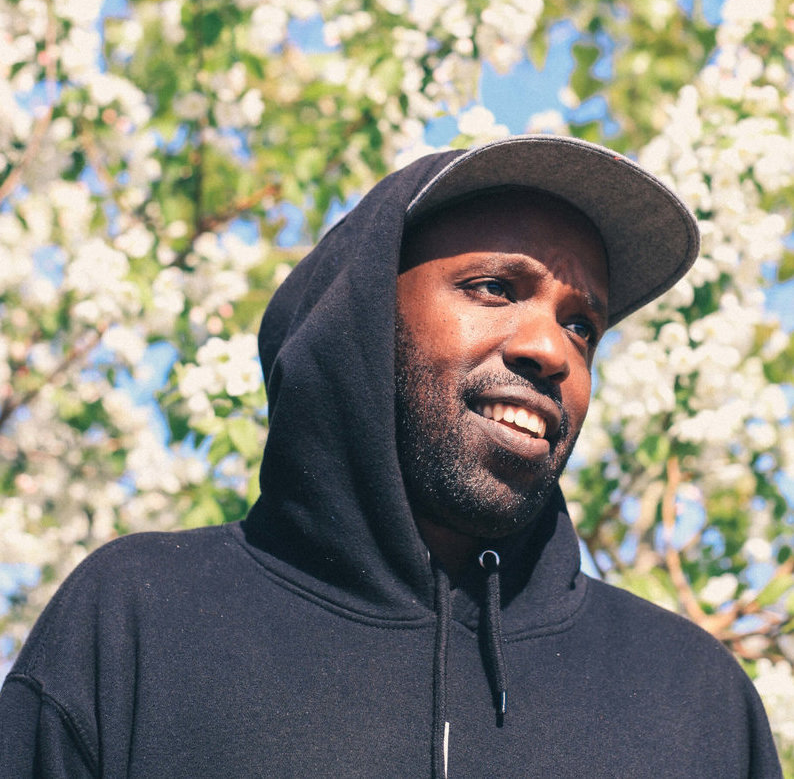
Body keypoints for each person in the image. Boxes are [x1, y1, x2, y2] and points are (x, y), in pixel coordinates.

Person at [0, 135, 781, 777]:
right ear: (363, 317)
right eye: (494, 287)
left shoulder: (694, 701)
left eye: (582, 326)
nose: (551, 349)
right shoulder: (137, 623)